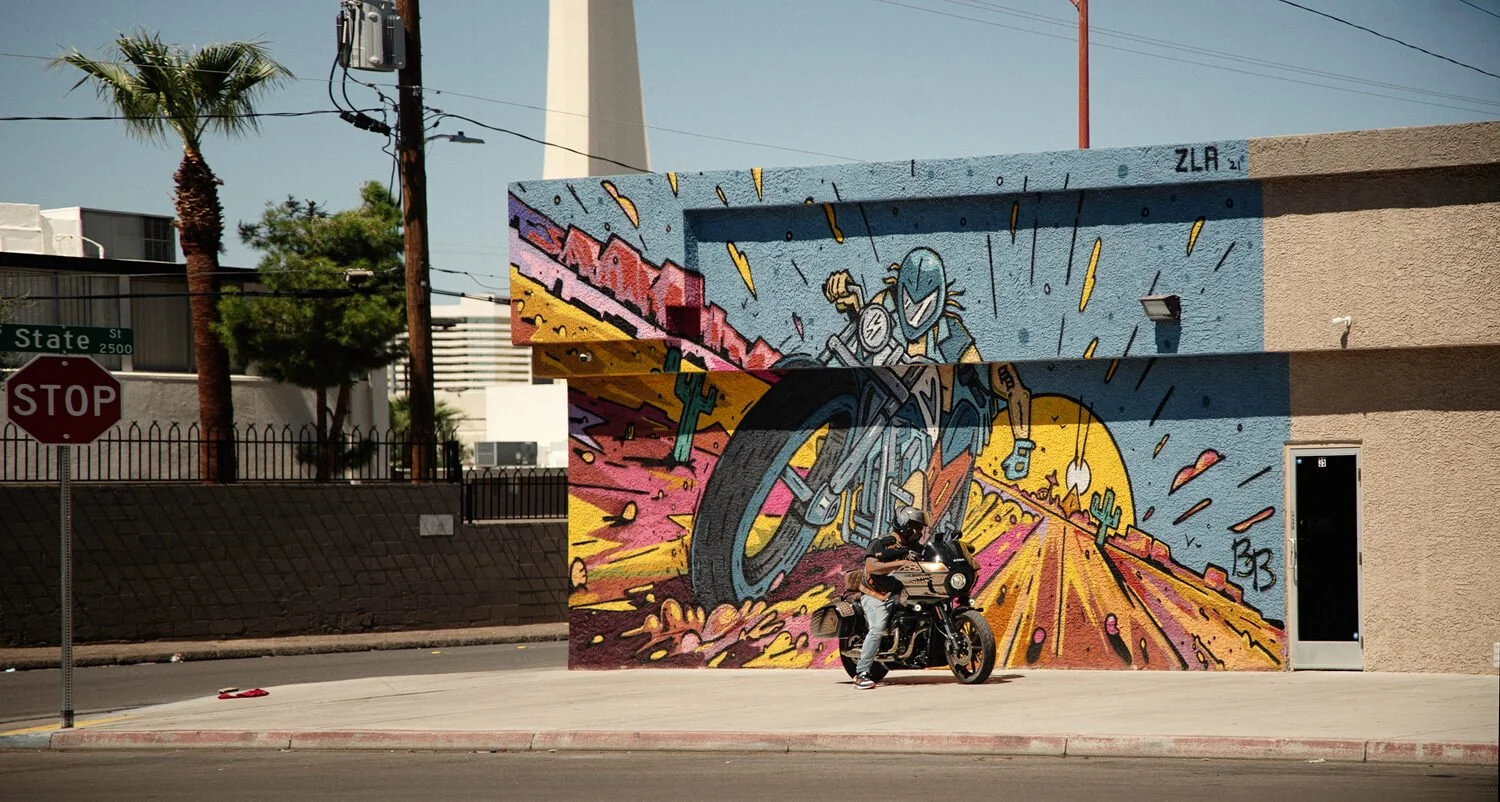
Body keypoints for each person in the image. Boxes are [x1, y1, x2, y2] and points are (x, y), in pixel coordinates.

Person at [852, 505, 928, 690]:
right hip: (877, 594)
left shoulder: (915, 547)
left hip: (902, 593)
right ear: (904, 525)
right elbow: (871, 567)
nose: (919, 531)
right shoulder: (881, 543)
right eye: (916, 527)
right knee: (877, 628)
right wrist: (900, 562)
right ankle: (861, 674)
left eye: (921, 527)